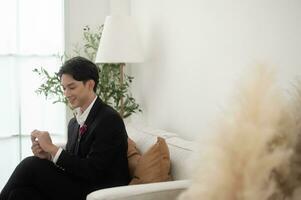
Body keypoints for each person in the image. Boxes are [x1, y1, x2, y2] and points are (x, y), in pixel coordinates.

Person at [0, 56, 130, 200]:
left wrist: (52, 148)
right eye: (64, 88)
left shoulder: (109, 119)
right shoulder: (74, 123)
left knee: (30, 165)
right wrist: (49, 156)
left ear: (90, 85)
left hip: (99, 191)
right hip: (79, 183)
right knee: (18, 195)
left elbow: (92, 171)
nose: (66, 94)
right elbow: (73, 163)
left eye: (72, 87)